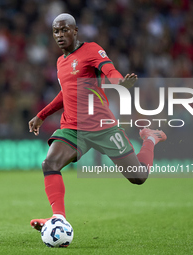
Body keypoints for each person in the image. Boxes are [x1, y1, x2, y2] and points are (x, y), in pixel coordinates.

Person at [28, 13, 167, 230]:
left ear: (75, 31)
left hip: (102, 127)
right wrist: (42, 115)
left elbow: (109, 70)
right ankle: (58, 218)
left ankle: (150, 138)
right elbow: (66, 93)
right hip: (73, 128)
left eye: (65, 30)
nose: (60, 35)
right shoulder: (60, 62)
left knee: (138, 177)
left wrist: (119, 82)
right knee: (50, 164)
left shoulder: (91, 49)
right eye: (56, 31)